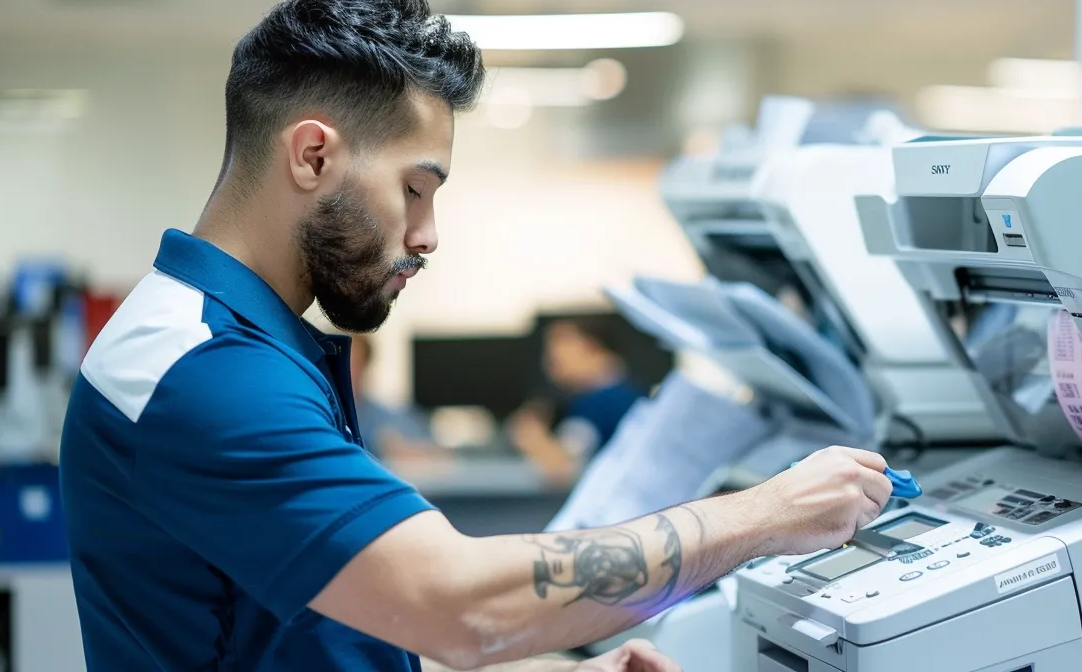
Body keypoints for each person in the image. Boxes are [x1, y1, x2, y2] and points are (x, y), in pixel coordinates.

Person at [56, 2, 897, 671]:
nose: (427, 235)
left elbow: (337, 629)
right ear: (312, 155)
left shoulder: (246, 341)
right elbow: (456, 606)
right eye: (416, 188)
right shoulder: (202, 372)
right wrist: (770, 513)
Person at [510, 317, 643, 486]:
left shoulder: (600, 402)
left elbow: (560, 468)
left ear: (592, 347)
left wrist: (530, 436)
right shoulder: (628, 392)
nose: (550, 358)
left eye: (561, 344)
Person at [347, 332, 450, 471]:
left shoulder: (386, 418)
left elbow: (441, 455)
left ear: (365, 366)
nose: (346, 370)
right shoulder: (317, 415)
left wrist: (403, 451)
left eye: (354, 363)